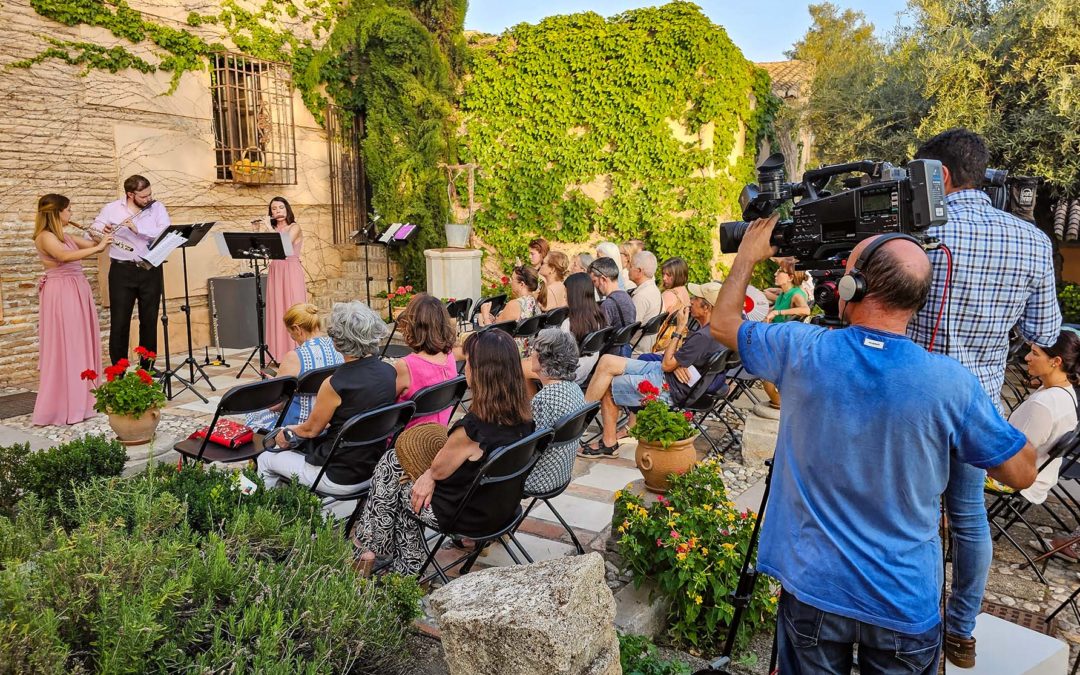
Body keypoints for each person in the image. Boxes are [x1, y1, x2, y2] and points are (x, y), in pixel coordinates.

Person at [710, 215, 1037, 674]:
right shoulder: (951, 384)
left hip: (814, 591)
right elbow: (1021, 472)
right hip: (904, 604)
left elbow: (724, 324)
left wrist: (746, 256)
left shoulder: (801, 349)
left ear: (851, 287)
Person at [907, 128, 1060, 667]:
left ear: (940, 177)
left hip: (913, 403)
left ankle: (912, 624)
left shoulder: (919, 234)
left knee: (915, 516)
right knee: (968, 517)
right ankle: (962, 630)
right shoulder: (1033, 241)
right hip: (979, 406)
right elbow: (1043, 328)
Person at [354, 329, 535, 575]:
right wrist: (428, 475)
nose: (465, 367)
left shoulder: (472, 430)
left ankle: (384, 557)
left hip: (467, 515)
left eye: (469, 362)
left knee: (396, 480)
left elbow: (439, 469)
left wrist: (428, 475)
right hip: (502, 508)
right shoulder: (525, 418)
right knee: (396, 468)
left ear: (483, 372)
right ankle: (380, 552)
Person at [257, 301, 396, 495]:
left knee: (265, 458)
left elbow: (310, 430)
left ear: (337, 341)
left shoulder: (334, 384)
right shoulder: (389, 372)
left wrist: (286, 431)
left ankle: (273, 513)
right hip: (372, 468)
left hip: (337, 475)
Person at [580, 282, 723, 458]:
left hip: (671, 386)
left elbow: (667, 364)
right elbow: (677, 360)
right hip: (672, 374)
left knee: (609, 386)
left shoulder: (703, 336)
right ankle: (579, 421)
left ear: (706, 307)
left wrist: (679, 329)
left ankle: (607, 443)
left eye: (695, 299)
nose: (690, 301)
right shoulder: (717, 329)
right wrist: (678, 363)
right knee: (607, 361)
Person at [31, 194, 112, 426]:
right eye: (68, 210)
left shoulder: (65, 235)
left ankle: (85, 401)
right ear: (56, 213)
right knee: (69, 343)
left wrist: (103, 236)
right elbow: (64, 256)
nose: (71, 214)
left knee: (81, 340)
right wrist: (99, 245)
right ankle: (64, 404)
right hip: (62, 291)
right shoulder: (45, 237)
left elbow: (95, 248)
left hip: (76, 288)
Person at [993, 330, 1079, 509]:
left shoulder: (1044, 404)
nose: (1027, 358)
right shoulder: (1065, 391)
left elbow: (1012, 455)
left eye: (1035, 353)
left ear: (1056, 361)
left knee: (949, 459)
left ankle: (949, 516)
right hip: (1038, 475)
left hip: (1017, 478)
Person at [93, 174, 170, 368]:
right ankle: (118, 372)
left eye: (150, 194)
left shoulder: (157, 208)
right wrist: (103, 230)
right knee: (119, 323)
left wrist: (139, 230)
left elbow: (165, 232)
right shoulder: (111, 209)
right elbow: (91, 231)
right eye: (143, 196)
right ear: (130, 194)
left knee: (149, 321)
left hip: (150, 269)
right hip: (121, 271)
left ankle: (147, 370)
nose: (148, 199)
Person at [245, 302, 343, 430]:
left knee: (252, 412)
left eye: (290, 332)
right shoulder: (337, 346)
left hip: (300, 423)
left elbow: (276, 406)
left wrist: (272, 387)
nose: (292, 337)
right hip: (330, 417)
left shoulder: (294, 357)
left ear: (297, 329)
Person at [525, 329, 588, 493]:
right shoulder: (574, 389)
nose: (531, 353)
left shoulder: (544, 399)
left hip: (538, 479)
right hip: (561, 473)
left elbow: (529, 449)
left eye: (534, 350)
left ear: (545, 359)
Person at [394, 293, 459, 428]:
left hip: (407, 442)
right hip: (437, 435)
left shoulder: (406, 366)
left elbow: (385, 404)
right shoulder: (449, 357)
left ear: (413, 325)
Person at [263, 196, 306, 365]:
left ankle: (297, 353)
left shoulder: (294, 227)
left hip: (290, 270)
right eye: (274, 209)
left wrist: (268, 227)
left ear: (287, 209)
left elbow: (284, 245)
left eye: (281, 207)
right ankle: (277, 354)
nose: (277, 211)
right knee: (277, 310)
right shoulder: (272, 228)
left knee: (293, 309)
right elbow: (265, 249)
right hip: (275, 270)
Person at [588, 257, 635, 355]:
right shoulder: (627, 297)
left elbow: (598, 339)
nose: (594, 286)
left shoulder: (608, 304)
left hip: (610, 355)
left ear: (603, 279)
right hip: (625, 352)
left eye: (594, 281)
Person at [653, 257, 691, 353]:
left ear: (679, 276)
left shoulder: (669, 294)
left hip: (662, 345)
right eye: (663, 274)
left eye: (669, 275)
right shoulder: (685, 291)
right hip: (678, 343)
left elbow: (654, 323)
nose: (664, 278)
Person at [628, 250, 662, 353]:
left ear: (639, 271)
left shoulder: (641, 297)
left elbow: (627, 332)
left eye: (631, 266)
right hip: (646, 347)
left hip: (635, 351)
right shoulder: (655, 290)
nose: (628, 269)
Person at [765, 259, 810, 323]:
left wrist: (777, 312)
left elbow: (806, 310)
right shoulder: (785, 292)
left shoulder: (796, 295)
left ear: (790, 278)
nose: (775, 274)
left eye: (780, 271)